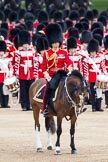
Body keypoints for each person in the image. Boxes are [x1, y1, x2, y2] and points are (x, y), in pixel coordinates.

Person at [42, 23, 73, 117]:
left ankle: (73, 106)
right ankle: (45, 108)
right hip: (51, 75)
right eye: (54, 42)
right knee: (47, 90)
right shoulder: (47, 53)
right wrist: (48, 77)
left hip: (62, 74)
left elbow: (69, 62)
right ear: (51, 42)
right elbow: (43, 67)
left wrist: (70, 70)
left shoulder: (63, 52)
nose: (56, 44)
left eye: (57, 42)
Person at [83, 39, 107, 112]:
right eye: (91, 52)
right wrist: (86, 78)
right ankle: (93, 107)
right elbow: (86, 70)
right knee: (92, 92)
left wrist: (105, 74)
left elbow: (103, 67)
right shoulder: (87, 59)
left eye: (94, 52)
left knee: (99, 91)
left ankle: (98, 107)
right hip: (91, 76)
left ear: (96, 51)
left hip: (99, 76)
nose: (93, 53)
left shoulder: (100, 57)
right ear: (89, 51)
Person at [0, 40, 12, 108]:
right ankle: (1, 103)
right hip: (0, 76)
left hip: (6, 76)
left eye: (2, 51)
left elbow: (10, 66)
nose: (1, 52)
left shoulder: (7, 59)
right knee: (0, 91)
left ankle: (5, 103)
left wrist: (10, 73)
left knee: (6, 90)